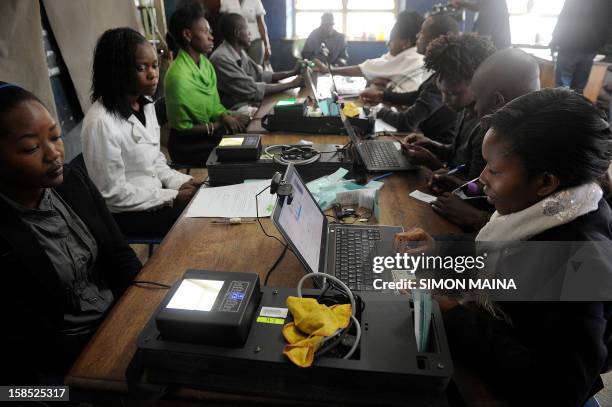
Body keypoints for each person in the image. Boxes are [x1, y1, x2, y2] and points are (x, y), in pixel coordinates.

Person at [404, 88, 612, 406]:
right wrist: (439, 249)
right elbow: (499, 250)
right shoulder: (544, 210)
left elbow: (561, 388)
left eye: (495, 170)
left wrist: (454, 316)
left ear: (546, 182)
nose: (482, 178)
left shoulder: (580, 260)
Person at [0, 83, 141, 384]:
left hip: (117, 319)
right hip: (63, 361)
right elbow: (27, 339)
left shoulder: (71, 182)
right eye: (30, 148)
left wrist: (141, 311)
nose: (54, 154)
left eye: (55, 136)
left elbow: (120, 255)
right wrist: (109, 355)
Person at [81, 28, 200, 239]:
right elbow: (112, 196)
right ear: (118, 70)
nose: (153, 74)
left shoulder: (145, 105)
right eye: (141, 67)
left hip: (157, 197)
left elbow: (156, 161)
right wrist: (171, 196)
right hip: (128, 215)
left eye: (155, 65)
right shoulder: (100, 122)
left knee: (203, 196)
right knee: (200, 220)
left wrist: (179, 182)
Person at [429, 48, 541, 231]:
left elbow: (540, 235)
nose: (474, 109)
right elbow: (483, 188)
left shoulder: (537, 145)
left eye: (477, 99)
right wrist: (459, 184)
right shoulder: (513, 130)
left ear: (498, 101)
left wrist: (479, 219)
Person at [400, 33, 495, 183]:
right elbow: (455, 153)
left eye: (453, 94)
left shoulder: (485, 128)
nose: (445, 100)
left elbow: (474, 190)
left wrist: (431, 162)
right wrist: (430, 144)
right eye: (442, 92)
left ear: (478, 81)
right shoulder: (464, 109)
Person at [165, 1, 248, 166]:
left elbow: (215, 104)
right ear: (188, 35)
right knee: (242, 156)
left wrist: (225, 116)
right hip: (190, 146)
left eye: (210, 31)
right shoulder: (178, 77)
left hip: (211, 134)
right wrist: (220, 124)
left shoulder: (205, 64)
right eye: (205, 31)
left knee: (249, 138)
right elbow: (183, 129)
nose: (211, 36)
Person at [361, 13, 460, 144]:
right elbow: (416, 96)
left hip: (434, 152)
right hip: (424, 141)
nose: (417, 36)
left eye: (423, 32)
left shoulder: (445, 79)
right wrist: (381, 95)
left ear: (441, 38)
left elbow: (406, 122)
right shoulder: (440, 71)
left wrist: (378, 111)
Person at [316, 11, 426, 93]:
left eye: (392, 41)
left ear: (406, 43)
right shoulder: (402, 54)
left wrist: (328, 70)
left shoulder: (412, 58)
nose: (387, 44)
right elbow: (378, 64)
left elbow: (365, 68)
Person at [210, 13, 302, 110]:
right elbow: (252, 89)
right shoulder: (222, 59)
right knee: (285, 110)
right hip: (236, 110)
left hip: (250, 102)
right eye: (247, 29)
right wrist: (292, 84)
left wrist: (292, 72)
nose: (250, 33)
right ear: (237, 33)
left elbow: (261, 75)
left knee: (292, 104)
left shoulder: (239, 52)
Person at [551, 0, 612, 93]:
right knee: (578, 90)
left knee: (561, 89)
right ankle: (573, 106)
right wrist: (603, 48)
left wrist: (555, 40)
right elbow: (608, 24)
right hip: (591, 48)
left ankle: (561, 106)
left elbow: (564, 17)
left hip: (569, 45)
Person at [219, 0, 271, 65]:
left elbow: (261, 24)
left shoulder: (255, 1)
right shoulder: (226, 1)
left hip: (255, 40)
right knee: (238, 66)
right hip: (234, 42)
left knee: (255, 68)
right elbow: (224, 23)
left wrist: (267, 45)